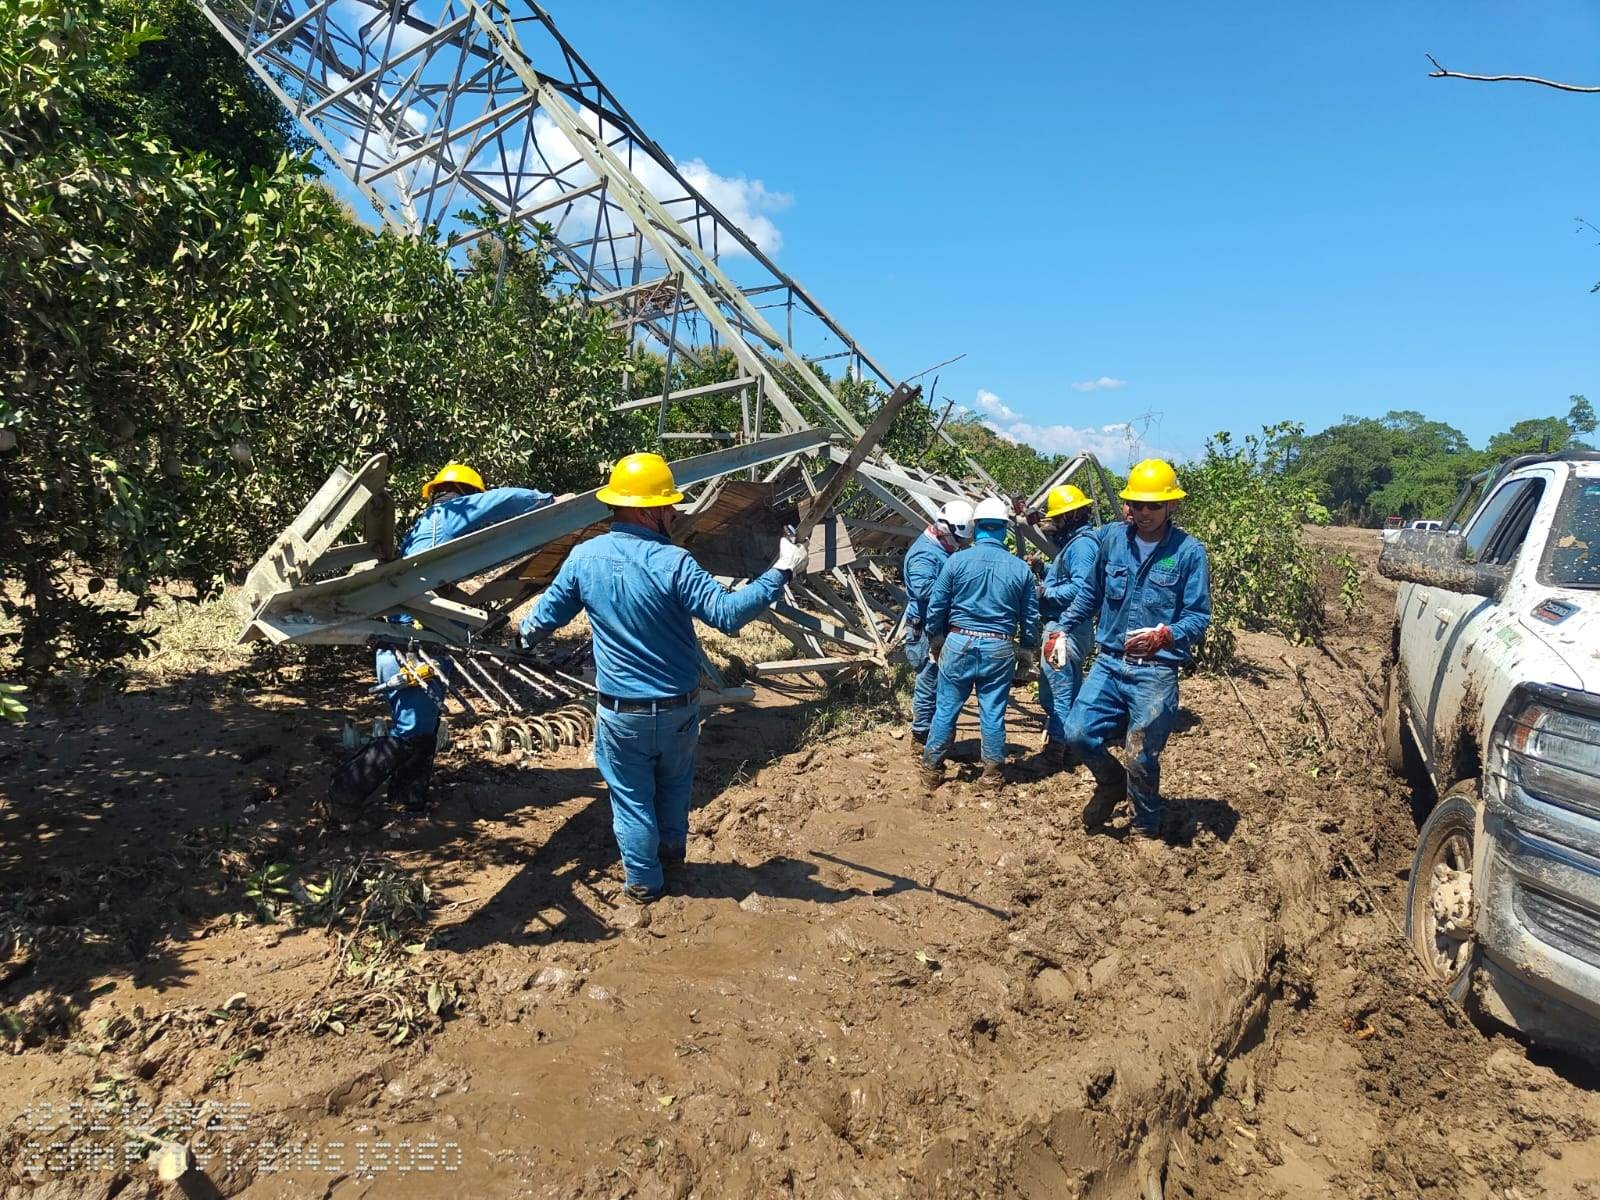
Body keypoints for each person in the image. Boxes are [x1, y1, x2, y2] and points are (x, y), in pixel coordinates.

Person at [518, 452, 808, 903]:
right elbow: (728, 616)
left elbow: (541, 620)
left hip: (621, 715)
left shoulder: (584, 558)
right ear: (647, 509)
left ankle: (643, 887)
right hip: (677, 710)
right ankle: (673, 864)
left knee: (632, 802)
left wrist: (524, 634)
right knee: (674, 788)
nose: (674, 512)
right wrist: (781, 571)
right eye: (668, 504)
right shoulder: (675, 563)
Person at [329, 463, 554, 816]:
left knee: (423, 729)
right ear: (466, 494)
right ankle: (343, 794)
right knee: (412, 731)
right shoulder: (451, 513)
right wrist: (550, 500)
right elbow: (506, 500)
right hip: (414, 646)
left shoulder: (424, 529)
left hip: (414, 643)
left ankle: (408, 800)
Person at [1063, 459, 1211, 847]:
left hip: (1155, 672)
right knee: (1076, 732)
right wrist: (1061, 628)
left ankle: (1147, 826)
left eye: (1153, 506)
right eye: (1138, 505)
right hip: (1110, 663)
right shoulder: (1111, 540)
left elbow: (1198, 617)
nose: (1144, 513)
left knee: (1141, 756)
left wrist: (1166, 635)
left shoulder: (1188, 552)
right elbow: (1090, 594)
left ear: (1171, 506)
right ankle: (1111, 784)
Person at [920, 496, 1041, 790]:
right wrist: (1026, 650)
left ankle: (932, 769)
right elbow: (1030, 616)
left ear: (976, 528)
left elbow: (937, 605)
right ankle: (992, 774)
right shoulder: (1020, 569)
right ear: (1005, 529)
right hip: (999, 646)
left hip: (959, 641)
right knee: (993, 711)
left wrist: (936, 637)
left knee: (946, 708)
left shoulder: (956, 561)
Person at [1036, 484, 1100, 772]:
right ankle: (1073, 747)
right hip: (1072, 628)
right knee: (1069, 689)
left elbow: (1083, 588)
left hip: (1066, 628)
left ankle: (1056, 753)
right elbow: (1071, 578)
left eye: (1058, 517)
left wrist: (1044, 594)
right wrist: (1044, 570)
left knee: (1057, 689)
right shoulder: (1077, 545)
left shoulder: (1083, 545)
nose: (1054, 523)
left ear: (1071, 515)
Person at [901, 500, 975, 747]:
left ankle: (931, 731)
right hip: (924, 627)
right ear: (945, 530)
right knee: (929, 678)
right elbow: (924, 590)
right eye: (960, 541)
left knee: (937, 679)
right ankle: (921, 734)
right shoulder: (925, 554)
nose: (961, 546)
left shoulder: (941, 551)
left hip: (935, 623)